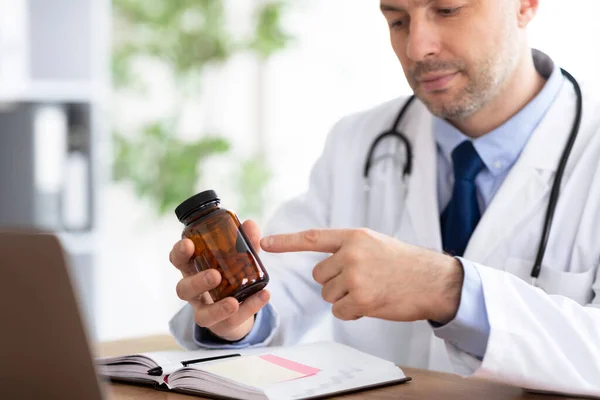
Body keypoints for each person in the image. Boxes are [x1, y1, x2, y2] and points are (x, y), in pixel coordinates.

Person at [169, 0, 600, 397]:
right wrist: (235, 320)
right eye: (397, 20)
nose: (416, 47)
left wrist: (448, 289)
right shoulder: (359, 141)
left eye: (447, 10)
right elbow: (282, 290)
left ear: (524, 5)